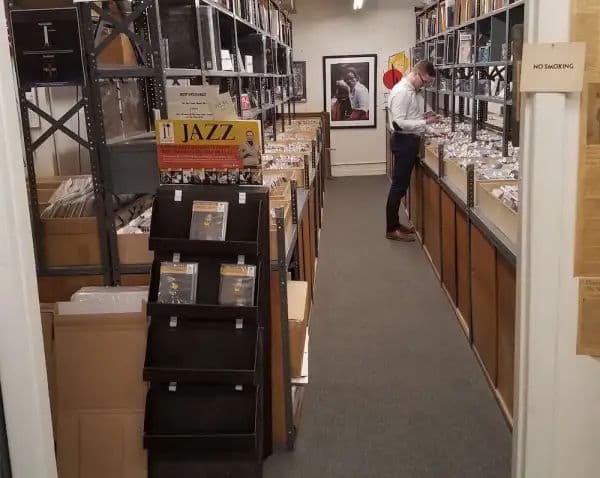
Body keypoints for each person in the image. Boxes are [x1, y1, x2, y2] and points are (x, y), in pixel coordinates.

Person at [385, 60, 440, 242]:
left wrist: (430, 122)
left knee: (401, 186)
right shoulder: (401, 92)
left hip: (410, 141)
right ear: (416, 74)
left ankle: (395, 223)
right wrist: (426, 123)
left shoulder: (412, 92)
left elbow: (414, 115)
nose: (425, 86)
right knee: (398, 186)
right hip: (403, 142)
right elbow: (399, 123)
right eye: (424, 82)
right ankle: (391, 229)